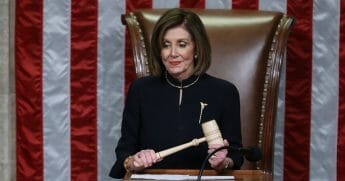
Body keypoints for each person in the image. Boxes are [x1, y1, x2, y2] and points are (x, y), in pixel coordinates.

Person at [109, 8, 243, 179]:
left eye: (182, 44)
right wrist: (133, 162)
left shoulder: (225, 92)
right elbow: (124, 152)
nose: (173, 53)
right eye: (166, 45)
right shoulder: (141, 90)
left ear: (196, 48)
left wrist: (224, 162)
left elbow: (236, 155)